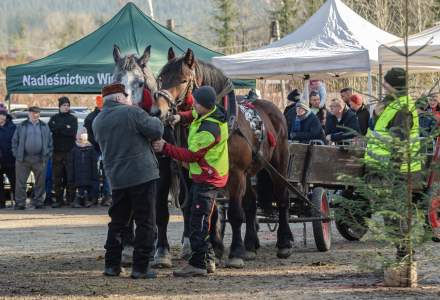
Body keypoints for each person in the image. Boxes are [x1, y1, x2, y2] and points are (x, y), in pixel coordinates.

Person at [152, 86, 229, 277]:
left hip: (207, 178)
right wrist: (181, 117)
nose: (193, 104)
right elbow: (194, 114)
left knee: (198, 223)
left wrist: (165, 147)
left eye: (196, 102)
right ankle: (208, 259)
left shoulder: (209, 130)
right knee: (203, 220)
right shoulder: (212, 113)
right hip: (204, 176)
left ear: (205, 105)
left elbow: (191, 155)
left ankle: (197, 264)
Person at [93, 83, 163, 279]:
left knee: (118, 223)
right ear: (118, 97)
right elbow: (156, 130)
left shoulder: (97, 121)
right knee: (145, 222)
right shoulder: (132, 112)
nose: (128, 97)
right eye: (126, 95)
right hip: (142, 175)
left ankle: (111, 265)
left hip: (116, 178)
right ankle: (141, 267)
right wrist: (156, 118)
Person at [364, 67, 422, 259]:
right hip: (382, 167)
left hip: (395, 169)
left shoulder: (403, 107)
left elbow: (399, 141)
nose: (383, 85)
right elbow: (377, 130)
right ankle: (404, 252)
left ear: (393, 84)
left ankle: (405, 253)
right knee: (390, 212)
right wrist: (377, 112)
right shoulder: (390, 104)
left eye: (386, 82)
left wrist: (391, 169)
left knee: (393, 212)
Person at [12, 106, 53, 209]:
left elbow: (50, 142)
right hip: (23, 159)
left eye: (37, 113)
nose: (36, 115)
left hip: (40, 159)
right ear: (29, 114)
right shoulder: (22, 125)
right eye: (33, 113)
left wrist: (47, 154)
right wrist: (17, 154)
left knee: (40, 183)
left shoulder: (44, 126)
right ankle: (20, 203)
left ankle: (38, 202)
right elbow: (15, 141)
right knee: (21, 182)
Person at [49, 97, 78, 208]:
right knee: (57, 178)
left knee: (70, 177)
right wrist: (64, 127)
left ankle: (71, 200)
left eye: (68, 105)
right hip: (57, 153)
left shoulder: (73, 118)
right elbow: (52, 128)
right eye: (64, 105)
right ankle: (59, 200)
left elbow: (71, 132)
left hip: (69, 151)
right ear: (59, 106)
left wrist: (59, 128)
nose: (66, 107)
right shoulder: (54, 117)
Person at [84, 95, 111, 206]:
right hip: (94, 149)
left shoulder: (110, 115)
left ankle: (107, 196)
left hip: (107, 149)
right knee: (93, 173)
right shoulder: (90, 117)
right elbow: (89, 134)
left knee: (107, 174)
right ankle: (93, 196)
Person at [68, 132, 99, 208]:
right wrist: (70, 175)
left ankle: (87, 200)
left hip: (89, 175)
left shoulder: (91, 150)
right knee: (78, 186)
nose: (81, 141)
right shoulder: (74, 150)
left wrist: (95, 175)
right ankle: (78, 200)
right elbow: (71, 164)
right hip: (77, 174)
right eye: (80, 139)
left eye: (83, 139)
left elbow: (94, 164)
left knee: (88, 186)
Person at [0, 108, 16, 209]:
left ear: (5, 116)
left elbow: (16, 142)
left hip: (11, 159)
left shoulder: (12, 127)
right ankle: (1, 203)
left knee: (14, 181)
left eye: (2, 115)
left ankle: (17, 202)